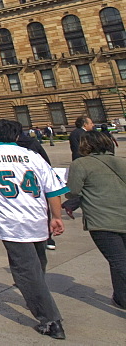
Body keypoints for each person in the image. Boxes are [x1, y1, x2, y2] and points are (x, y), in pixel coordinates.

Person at [0, 119, 69, 340]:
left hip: (12, 222)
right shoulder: (33, 156)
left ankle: (50, 320)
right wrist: (56, 217)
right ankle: (37, 291)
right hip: (38, 218)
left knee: (26, 270)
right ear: (18, 135)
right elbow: (53, 190)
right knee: (37, 264)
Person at [65, 130, 126, 311]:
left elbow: (73, 190)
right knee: (118, 260)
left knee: (119, 262)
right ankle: (121, 298)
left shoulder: (81, 164)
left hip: (102, 221)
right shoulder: (122, 162)